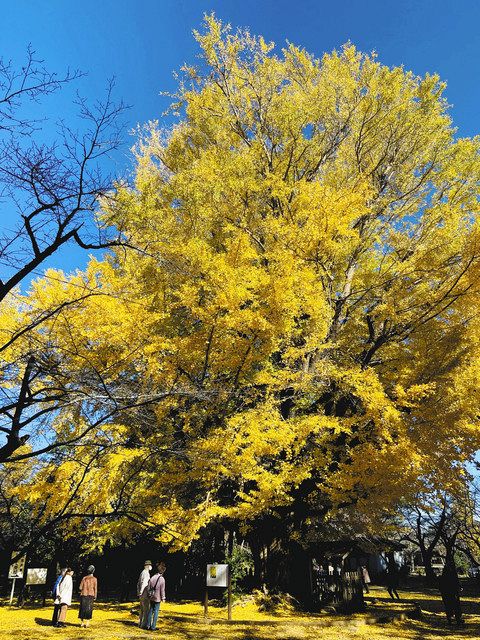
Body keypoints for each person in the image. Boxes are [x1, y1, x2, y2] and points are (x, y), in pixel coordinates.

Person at [438, 562, 463, 626]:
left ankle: (451, 620)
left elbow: (440, 586)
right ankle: (457, 619)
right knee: (456, 606)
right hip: (452, 593)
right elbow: (456, 583)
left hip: (447, 593)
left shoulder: (443, 577)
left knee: (448, 606)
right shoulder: (452, 576)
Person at [146, 562, 166, 632]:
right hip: (158, 598)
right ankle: (153, 626)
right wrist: (163, 598)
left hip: (151, 597)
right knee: (156, 611)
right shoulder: (162, 579)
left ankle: (148, 625)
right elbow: (162, 590)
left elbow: (148, 587)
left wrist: (149, 594)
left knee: (150, 610)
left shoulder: (152, 577)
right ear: (163, 571)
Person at [137, 560, 152, 629]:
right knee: (146, 610)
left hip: (141, 594)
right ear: (148, 566)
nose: (151, 567)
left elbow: (138, 583)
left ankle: (140, 623)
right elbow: (144, 584)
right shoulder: (146, 573)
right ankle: (144, 625)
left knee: (142, 610)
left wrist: (139, 593)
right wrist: (141, 592)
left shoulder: (142, 572)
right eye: (150, 565)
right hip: (144, 594)